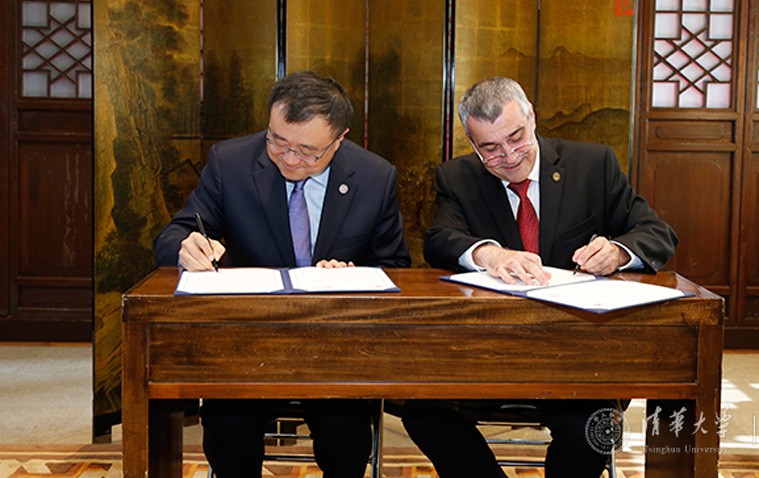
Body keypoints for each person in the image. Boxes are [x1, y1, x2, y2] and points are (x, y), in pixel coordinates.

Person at [401, 76, 677, 477]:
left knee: (592, 428)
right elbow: (440, 240)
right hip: (488, 354)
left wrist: (618, 252)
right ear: (471, 142)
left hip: (579, 353)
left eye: (516, 137)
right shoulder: (457, 177)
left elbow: (657, 233)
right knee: (425, 414)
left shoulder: (592, 165)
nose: (509, 156)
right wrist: (490, 254)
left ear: (532, 118)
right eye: (490, 148)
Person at [153, 71, 411, 478]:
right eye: (278, 141)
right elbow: (173, 234)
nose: (290, 159)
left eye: (308, 151)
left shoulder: (375, 177)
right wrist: (186, 248)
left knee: (345, 433)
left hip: (334, 347)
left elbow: (395, 267)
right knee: (228, 427)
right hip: (246, 341)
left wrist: (353, 275)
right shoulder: (231, 162)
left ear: (339, 139)